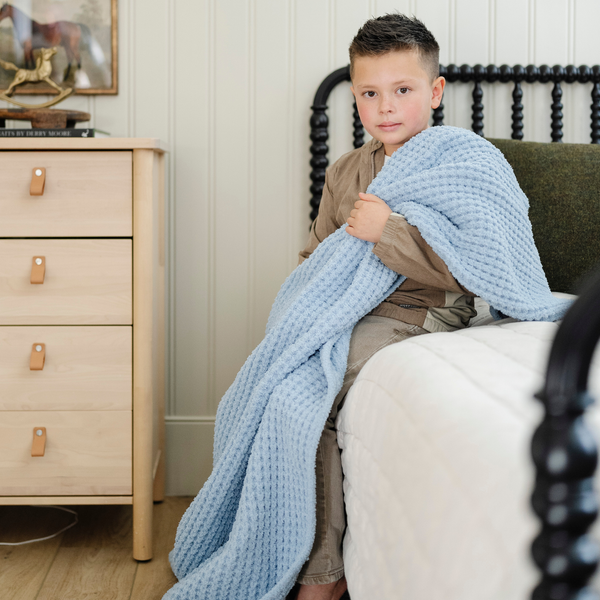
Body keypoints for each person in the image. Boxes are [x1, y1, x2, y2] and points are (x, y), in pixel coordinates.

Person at [291, 13, 476, 600]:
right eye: (370, 92)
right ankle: (273, 541)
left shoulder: (459, 161)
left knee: (316, 394)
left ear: (435, 91)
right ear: (355, 94)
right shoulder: (346, 170)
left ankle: (324, 576)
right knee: (278, 380)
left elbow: (472, 265)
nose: (386, 106)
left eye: (403, 90)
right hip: (348, 311)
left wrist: (386, 232)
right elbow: (316, 254)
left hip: (422, 310)